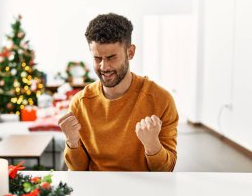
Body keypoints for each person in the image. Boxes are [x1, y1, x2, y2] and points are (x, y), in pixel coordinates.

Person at [58, 13, 178, 171]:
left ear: (130, 52)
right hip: (96, 189)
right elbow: (78, 171)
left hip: (144, 189)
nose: (104, 67)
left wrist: (152, 145)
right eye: (97, 58)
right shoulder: (80, 103)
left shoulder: (160, 99)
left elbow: (166, 170)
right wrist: (72, 142)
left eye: (111, 57)